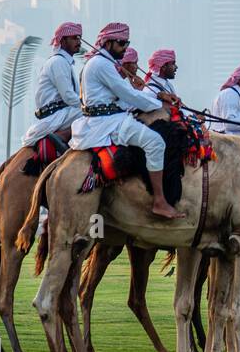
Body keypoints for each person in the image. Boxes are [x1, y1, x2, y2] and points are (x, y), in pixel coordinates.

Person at [70, 22, 183, 219]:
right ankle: (160, 201)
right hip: (108, 123)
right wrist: (158, 103)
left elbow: (123, 97)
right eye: (122, 43)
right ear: (107, 43)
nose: (125, 48)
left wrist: (159, 98)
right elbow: (128, 96)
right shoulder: (101, 64)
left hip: (108, 118)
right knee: (156, 142)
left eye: (126, 42)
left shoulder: (101, 63)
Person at [21, 22, 83, 148]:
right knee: (93, 115)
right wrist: (89, 105)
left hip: (62, 113)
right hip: (55, 116)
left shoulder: (64, 62)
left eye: (79, 37)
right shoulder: (58, 62)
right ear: (63, 41)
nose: (79, 41)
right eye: (74, 38)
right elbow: (69, 97)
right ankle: (62, 136)